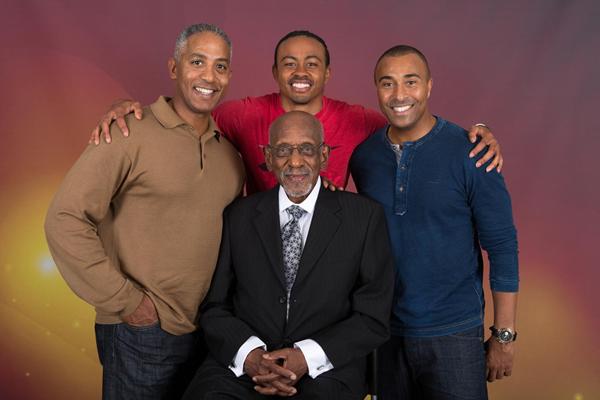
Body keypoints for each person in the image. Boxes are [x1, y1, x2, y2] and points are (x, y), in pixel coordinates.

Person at [44, 24, 244, 400]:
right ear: (174, 68)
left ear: (229, 76)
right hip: (141, 331)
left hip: (207, 335)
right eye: (197, 61)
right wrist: (129, 303)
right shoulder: (127, 132)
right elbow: (64, 218)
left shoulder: (229, 155)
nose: (209, 76)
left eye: (220, 66)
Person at [89, 30, 504, 193]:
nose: (301, 72)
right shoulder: (242, 115)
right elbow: (188, 116)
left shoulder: (358, 121)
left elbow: (412, 121)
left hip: (328, 256)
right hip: (262, 258)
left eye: (312, 63)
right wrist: (126, 108)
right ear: (275, 72)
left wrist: (477, 130)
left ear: (327, 73)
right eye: (289, 63)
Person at [181, 111, 394, 400]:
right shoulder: (239, 216)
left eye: (306, 149)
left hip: (325, 369)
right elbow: (216, 306)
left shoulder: (364, 217)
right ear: (269, 158)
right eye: (283, 150)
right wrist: (251, 355)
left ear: (324, 156)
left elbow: (373, 317)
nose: (295, 162)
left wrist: (306, 357)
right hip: (245, 366)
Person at [350, 45, 519, 400]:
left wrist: (504, 335)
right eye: (387, 83)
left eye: (410, 82)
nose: (399, 95)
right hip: (385, 333)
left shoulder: (471, 152)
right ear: (376, 89)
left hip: (454, 333)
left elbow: (502, 247)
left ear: (428, 86)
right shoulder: (364, 157)